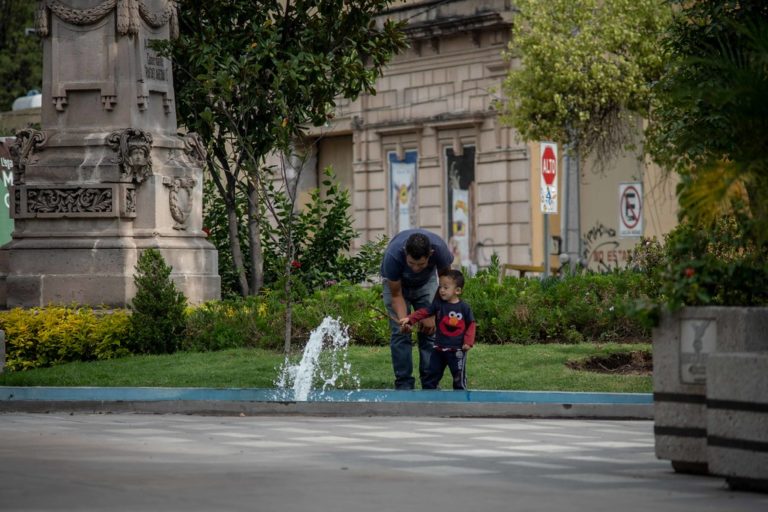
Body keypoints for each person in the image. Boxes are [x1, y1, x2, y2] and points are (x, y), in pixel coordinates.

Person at [381, 229, 453, 390]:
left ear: (430, 254)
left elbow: (445, 285)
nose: (415, 268)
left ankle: (430, 383)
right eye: (411, 263)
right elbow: (396, 294)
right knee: (400, 334)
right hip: (398, 286)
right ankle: (404, 383)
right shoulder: (393, 256)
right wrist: (404, 320)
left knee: (430, 332)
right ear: (405, 253)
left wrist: (431, 314)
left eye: (421, 264)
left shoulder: (440, 250)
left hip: (427, 284)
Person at [399, 269, 476, 390]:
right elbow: (424, 312)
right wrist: (410, 319)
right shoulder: (438, 304)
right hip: (438, 350)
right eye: (440, 287)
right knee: (431, 375)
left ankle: (461, 400)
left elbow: (471, 324)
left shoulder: (464, 308)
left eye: (446, 287)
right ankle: (429, 397)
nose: (441, 290)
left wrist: (468, 342)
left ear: (457, 290)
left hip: (457, 351)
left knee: (458, 377)